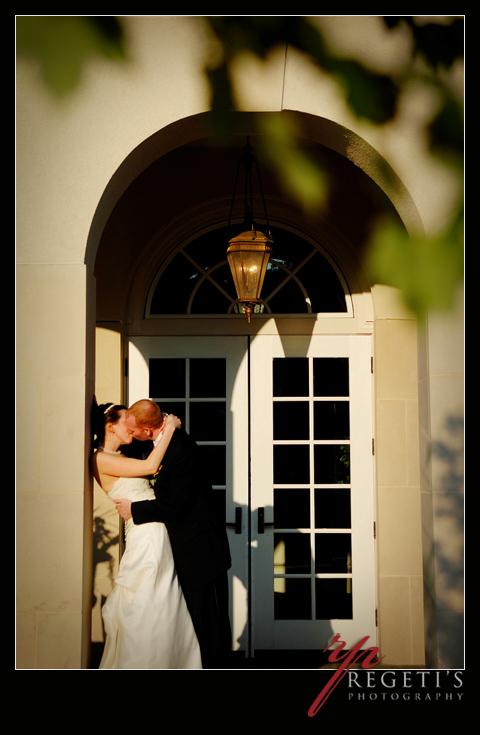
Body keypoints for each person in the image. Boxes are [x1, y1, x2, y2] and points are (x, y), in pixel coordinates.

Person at [114, 399, 232, 668]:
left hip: (202, 553)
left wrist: (135, 509)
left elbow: (176, 505)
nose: (131, 434)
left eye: (133, 430)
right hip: (183, 551)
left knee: (211, 626)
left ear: (148, 430)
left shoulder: (182, 450)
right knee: (193, 623)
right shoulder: (159, 440)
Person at [91, 402, 202, 670]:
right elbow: (152, 466)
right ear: (111, 427)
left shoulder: (122, 454)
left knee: (163, 601)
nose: (131, 425)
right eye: (125, 421)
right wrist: (171, 428)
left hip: (155, 532)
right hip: (145, 536)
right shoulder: (101, 458)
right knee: (146, 600)